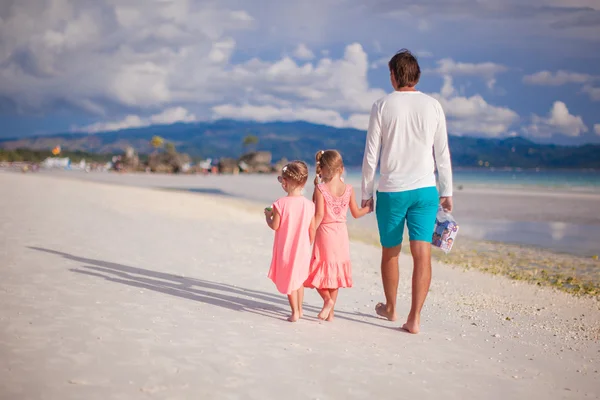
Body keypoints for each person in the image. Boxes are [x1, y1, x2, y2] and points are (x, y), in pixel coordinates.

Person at [361, 49, 453, 334]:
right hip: (426, 190)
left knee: (391, 252)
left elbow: (371, 155)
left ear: (392, 76)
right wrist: (447, 189)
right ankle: (414, 318)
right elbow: (442, 152)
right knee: (422, 253)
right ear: (417, 76)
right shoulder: (433, 105)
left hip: (392, 191)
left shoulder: (382, 105)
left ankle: (390, 308)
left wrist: (366, 192)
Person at [304, 150, 371, 321]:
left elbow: (318, 216)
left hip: (325, 234)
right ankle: (330, 313)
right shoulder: (348, 189)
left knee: (315, 270)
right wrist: (369, 208)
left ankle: (327, 301)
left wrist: (309, 234)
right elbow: (356, 213)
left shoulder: (320, 189)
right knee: (334, 274)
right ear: (341, 169)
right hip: (341, 235)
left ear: (323, 169)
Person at [265, 161, 316, 322]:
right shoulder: (309, 205)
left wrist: (268, 216)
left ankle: (294, 312)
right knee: (299, 280)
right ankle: (300, 310)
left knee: (289, 280)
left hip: (286, 249)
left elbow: (275, 225)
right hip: (303, 250)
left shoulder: (280, 204)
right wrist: (308, 244)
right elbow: (312, 228)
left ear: (285, 183)